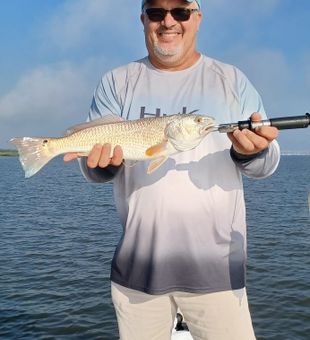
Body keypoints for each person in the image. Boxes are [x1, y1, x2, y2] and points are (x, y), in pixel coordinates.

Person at [64, 0, 280, 339]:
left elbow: (268, 162)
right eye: (156, 12)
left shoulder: (232, 79)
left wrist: (251, 152)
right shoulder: (115, 82)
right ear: (143, 19)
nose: (168, 22)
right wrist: (103, 165)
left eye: (180, 11)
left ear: (197, 18)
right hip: (137, 272)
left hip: (218, 271)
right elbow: (93, 171)